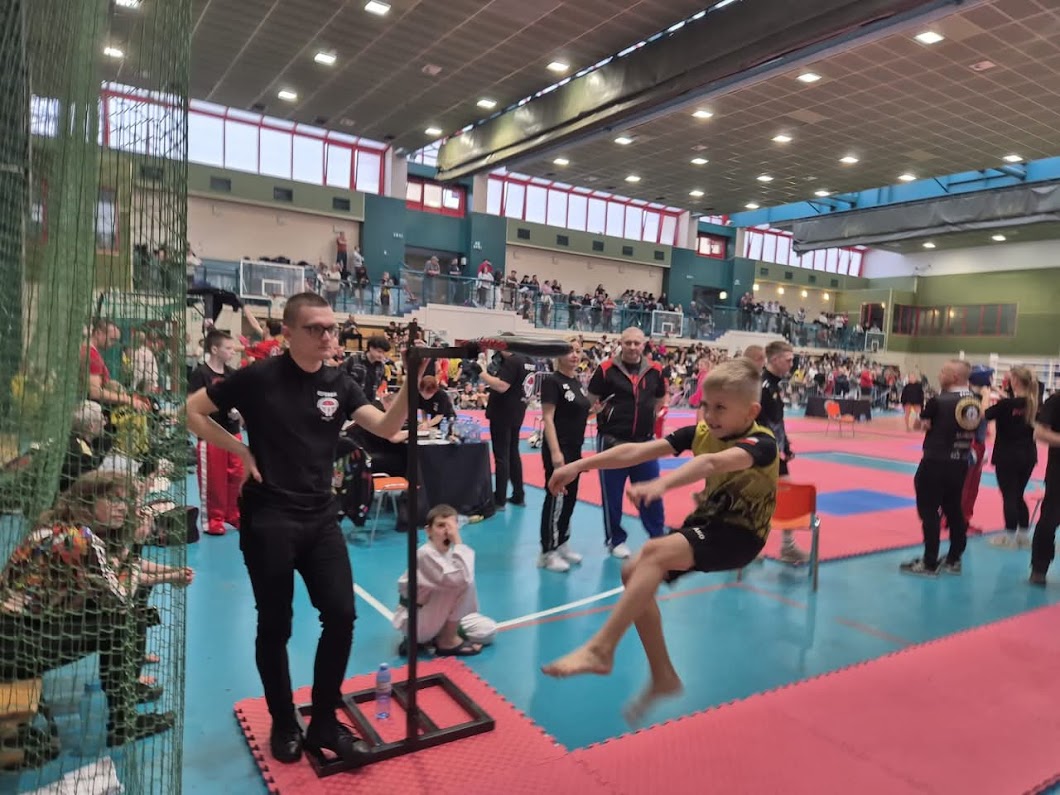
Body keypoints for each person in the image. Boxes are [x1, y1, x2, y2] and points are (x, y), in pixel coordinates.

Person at [186, 292, 424, 765]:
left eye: (331, 328)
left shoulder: (341, 383)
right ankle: (283, 720)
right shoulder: (258, 377)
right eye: (315, 328)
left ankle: (323, 723)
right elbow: (192, 410)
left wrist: (412, 379)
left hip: (320, 517)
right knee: (275, 624)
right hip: (269, 518)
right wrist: (240, 449)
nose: (327, 336)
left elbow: (384, 426)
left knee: (341, 615)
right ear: (289, 333)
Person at [541, 359, 778, 722]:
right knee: (633, 571)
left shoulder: (761, 443)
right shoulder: (701, 432)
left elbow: (711, 464)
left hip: (741, 535)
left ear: (751, 412)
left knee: (652, 552)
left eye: (720, 408)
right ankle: (663, 675)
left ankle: (601, 649)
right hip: (707, 524)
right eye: (705, 405)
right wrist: (578, 466)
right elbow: (635, 450)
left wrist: (661, 484)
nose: (709, 415)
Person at [0, 471, 190, 746]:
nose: (122, 508)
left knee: (123, 609)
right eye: (113, 500)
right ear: (86, 503)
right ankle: (124, 724)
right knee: (122, 621)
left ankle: (128, 692)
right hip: (14, 644)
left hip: (21, 632)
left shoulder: (69, 527)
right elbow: (120, 595)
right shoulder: (78, 539)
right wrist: (138, 545)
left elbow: (116, 571)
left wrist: (170, 574)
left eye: (125, 501)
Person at [589, 327, 668, 559]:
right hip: (612, 442)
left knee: (651, 491)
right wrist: (602, 412)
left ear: (644, 345)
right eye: (628, 343)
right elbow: (591, 401)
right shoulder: (605, 369)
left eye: (637, 343)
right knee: (612, 495)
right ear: (620, 344)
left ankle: (657, 536)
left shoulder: (655, 369)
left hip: (645, 443)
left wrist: (650, 416)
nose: (632, 347)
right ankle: (615, 539)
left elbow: (660, 398)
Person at [901, 360, 979, 576]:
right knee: (953, 509)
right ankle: (954, 558)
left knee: (929, 511)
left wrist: (919, 420)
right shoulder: (974, 400)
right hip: (960, 461)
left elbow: (921, 425)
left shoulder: (939, 400)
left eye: (943, 371)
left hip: (935, 460)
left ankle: (929, 561)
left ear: (954, 376)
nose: (939, 374)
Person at [391, 504, 495, 657]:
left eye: (451, 526)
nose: (447, 531)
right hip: (420, 620)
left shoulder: (452, 554)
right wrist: (458, 540)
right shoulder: (424, 554)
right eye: (440, 526)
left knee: (487, 630)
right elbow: (461, 579)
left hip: (441, 616)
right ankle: (447, 640)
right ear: (428, 531)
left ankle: (439, 636)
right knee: (463, 582)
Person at [539, 341, 590, 573]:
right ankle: (547, 551)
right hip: (559, 447)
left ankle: (562, 541)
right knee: (556, 497)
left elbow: (576, 414)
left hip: (576, 448)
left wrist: (595, 411)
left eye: (578, 351)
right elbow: (548, 418)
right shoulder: (552, 381)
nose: (574, 355)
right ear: (558, 354)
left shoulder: (577, 383)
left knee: (570, 498)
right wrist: (555, 452)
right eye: (569, 351)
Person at [755, 340, 807, 563]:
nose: (791, 364)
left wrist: (786, 446)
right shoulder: (762, 386)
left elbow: (776, 421)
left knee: (786, 495)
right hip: (761, 452)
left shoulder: (774, 385)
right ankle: (748, 546)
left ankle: (787, 546)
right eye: (788, 360)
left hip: (775, 451)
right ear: (775, 359)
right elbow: (757, 422)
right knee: (755, 499)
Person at [188, 330, 244, 536]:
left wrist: (239, 410)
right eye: (228, 348)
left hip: (233, 433)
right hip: (211, 434)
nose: (232, 351)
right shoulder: (201, 374)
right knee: (214, 478)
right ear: (214, 349)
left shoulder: (232, 374)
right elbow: (192, 405)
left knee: (236, 475)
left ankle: (233, 514)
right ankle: (214, 518)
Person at [987, 367, 1039, 549]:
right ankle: (1023, 536)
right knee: (1018, 495)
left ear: (1015, 381)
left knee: (1009, 496)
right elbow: (1015, 405)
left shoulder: (1005, 405)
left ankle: (1009, 537)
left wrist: (985, 395)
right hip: (1028, 456)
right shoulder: (1034, 404)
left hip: (1007, 456)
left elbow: (985, 415)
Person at [481, 335, 535, 508]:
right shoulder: (529, 361)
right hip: (518, 411)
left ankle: (500, 498)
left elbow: (501, 386)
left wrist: (481, 373)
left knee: (502, 456)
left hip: (502, 413)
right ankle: (518, 494)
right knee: (513, 453)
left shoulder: (513, 361)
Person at [1030, 389, 1060, 585]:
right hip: (1058, 475)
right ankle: (1039, 567)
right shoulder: (1055, 402)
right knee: (1049, 521)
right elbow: (1039, 433)